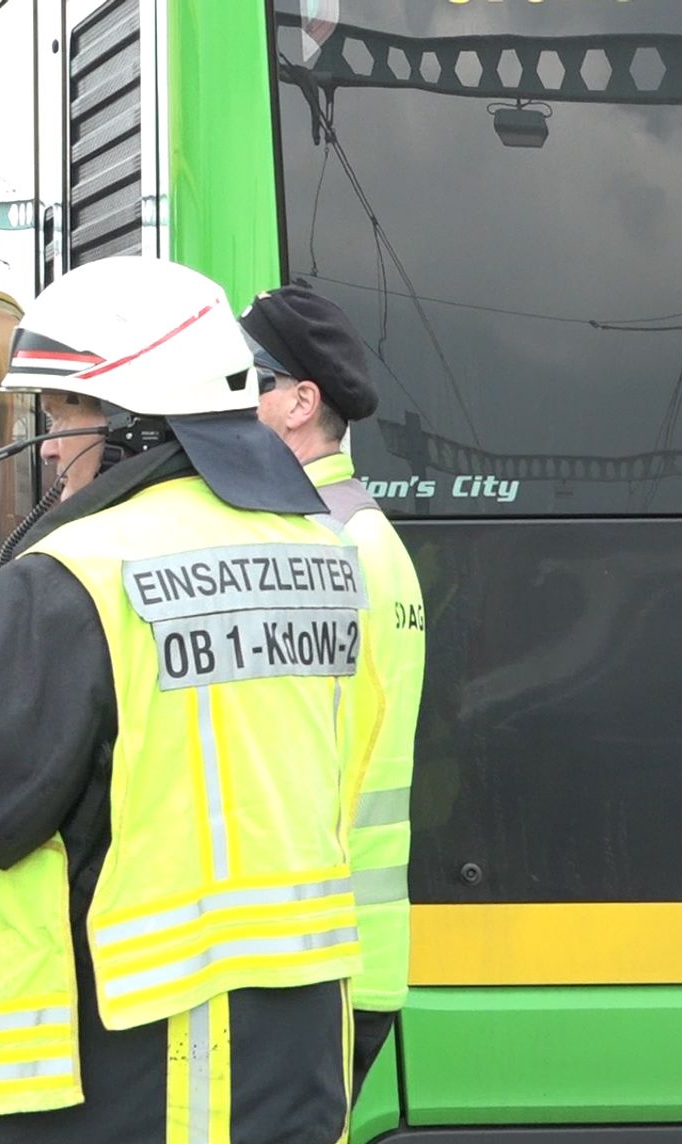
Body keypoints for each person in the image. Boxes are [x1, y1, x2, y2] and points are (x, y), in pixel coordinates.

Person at [0, 257, 363, 1144]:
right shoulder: (322, 551)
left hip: (120, 1069)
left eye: (62, 415)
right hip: (290, 1051)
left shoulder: (76, 575)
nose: (50, 447)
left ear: (131, 422)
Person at [245, 284, 427, 1097]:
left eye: (250, 380)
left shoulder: (315, 550)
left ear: (300, 403)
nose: (230, 400)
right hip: (356, 951)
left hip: (318, 957)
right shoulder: (360, 532)